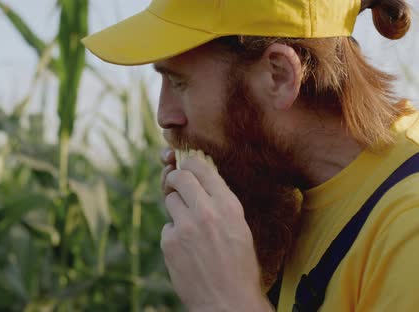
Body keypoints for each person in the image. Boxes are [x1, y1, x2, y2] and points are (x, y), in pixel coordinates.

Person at [83, 0, 419, 311]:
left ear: (279, 75)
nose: (165, 115)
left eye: (178, 82)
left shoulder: (408, 232)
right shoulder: (293, 190)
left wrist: (231, 301)